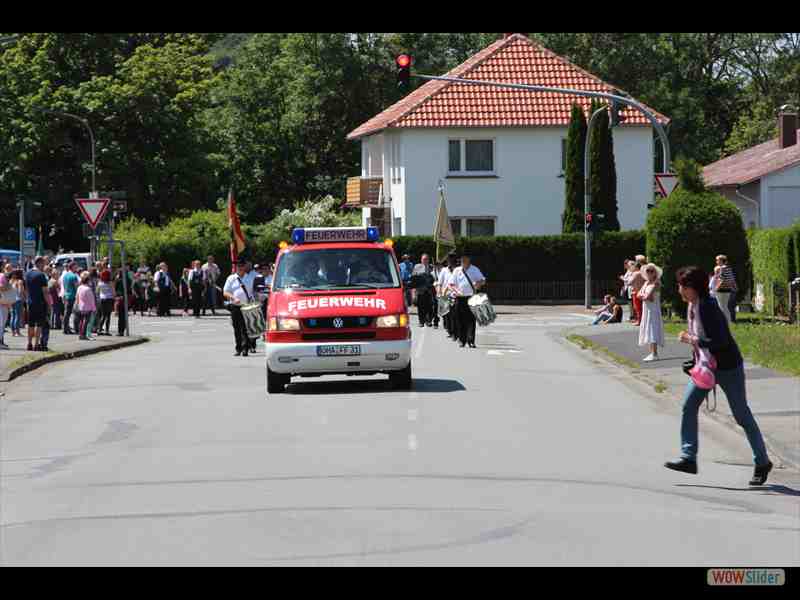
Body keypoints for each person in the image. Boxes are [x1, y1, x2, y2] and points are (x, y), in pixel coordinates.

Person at [667, 265, 773, 486]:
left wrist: (692, 340)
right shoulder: (693, 305)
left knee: (741, 415)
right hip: (706, 368)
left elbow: (721, 341)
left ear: (693, 288)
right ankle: (689, 458)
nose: (679, 290)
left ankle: (762, 462)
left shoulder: (707, 307)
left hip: (727, 367)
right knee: (688, 405)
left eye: (682, 286)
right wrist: (695, 358)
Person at [448, 254, 486, 348]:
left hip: (471, 297)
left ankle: (471, 341)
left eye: (465, 258)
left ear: (469, 259)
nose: (463, 260)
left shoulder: (474, 269)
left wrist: (478, 283)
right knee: (460, 319)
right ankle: (462, 340)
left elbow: (483, 280)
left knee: (471, 320)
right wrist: (457, 291)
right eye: (462, 259)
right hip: (460, 298)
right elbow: (451, 284)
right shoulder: (457, 270)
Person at [223, 258, 255, 357]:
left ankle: (246, 348)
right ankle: (238, 349)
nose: (240, 268)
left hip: (246, 306)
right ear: (236, 268)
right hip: (235, 306)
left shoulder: (249, 278)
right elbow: (225, 292)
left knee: (245, 328)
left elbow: (254, 292)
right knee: (237, 328)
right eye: (238, 266)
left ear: (245, 267)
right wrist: (233, 298)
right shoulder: (231, 278)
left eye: (242, 266)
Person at [638, 263, 664, 362]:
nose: (649, 272)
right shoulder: (646, 283)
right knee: (648, 328)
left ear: (655, 273)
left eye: (651, 271)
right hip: (647, 308)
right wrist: (644, 295)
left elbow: (648, 296)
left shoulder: (656, 283)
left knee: (652, 328)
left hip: (653, 309)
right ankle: (652, 352)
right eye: (647, 271)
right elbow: (639, 295)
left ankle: (654, 353)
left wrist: (644, 295)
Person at [24, 256, 51, 351]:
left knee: (30, 324)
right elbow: (45, 292)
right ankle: (36, 345)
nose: (44, 265)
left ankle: (29, 343)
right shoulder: (41, 275)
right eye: (43, 263)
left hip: (30, 302)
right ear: (39, 263)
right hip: (40, 303)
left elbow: (26, 290)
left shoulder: (28, 274)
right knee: (39, 325)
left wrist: (27, 301)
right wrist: (49, 304)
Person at [412, 254, 436, 327]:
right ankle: (421, 321)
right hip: (420, 290)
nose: (425, 260)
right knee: (421, 307)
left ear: (428, 260)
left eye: (426, 259)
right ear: (421, 260)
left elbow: (435, 277)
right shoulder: (417, 267)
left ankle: (428, 321)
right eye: (423, 259)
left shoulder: (432, 267)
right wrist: (414, 291)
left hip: (429, 290)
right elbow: (413, 278)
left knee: (430, 306)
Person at [436, 255, 457, 339]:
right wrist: (439, 292)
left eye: (452, 261)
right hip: (445, 294)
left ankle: (454, 332)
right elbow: (440, 283)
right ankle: (449, 329)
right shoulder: (444, 270)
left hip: (454, 295)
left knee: (453, 314)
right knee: (447, 315)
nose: (450, 262)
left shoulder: (458, 270)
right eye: (449, 261)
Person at [714, 254, 737, 323]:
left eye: (717, 260)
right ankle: (728, 321)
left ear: (721, 260)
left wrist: (716, 288)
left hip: (721, 289)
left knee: (721, 306)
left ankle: (723, 321)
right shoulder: (729, 268)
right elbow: (732, 279)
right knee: (725, 306)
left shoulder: (722, 268)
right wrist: (734, 287)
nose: (716, 262)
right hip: (728, 289)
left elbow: (721, 279)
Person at [75, 271, 96, 341]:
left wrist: (77, 304)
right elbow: (91, 300)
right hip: (87, 308)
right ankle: (83, 335)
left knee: (81, 321)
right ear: (87, 281)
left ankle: (80, 334)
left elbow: (77, 297)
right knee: (86, 322)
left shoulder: (79, 287)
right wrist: (94, 308)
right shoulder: (88, 289)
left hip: (80, 307)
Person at [61, 262, 80, 334]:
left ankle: (65, 328)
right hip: (72, 296)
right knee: (76, 313)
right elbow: (77, 287)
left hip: (66, 295)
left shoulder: (65, 275)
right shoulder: (73, 276)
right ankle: (76, 329)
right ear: (72, 267)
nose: (76, 268)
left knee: (67, 313)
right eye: (75, 267)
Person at [97, 269, 115, 335]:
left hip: (102, 299)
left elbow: (97, 291)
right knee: (108, 316)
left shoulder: (100, 283)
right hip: (109, 299)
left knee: (103, 315)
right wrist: (114, 297)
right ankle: (107, 331)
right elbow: (113, 292)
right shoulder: (110, 283)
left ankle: (99, 329)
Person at [629, 260, 646, 326]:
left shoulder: (635, 273)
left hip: (636, 292)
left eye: (633, 267)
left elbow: (629, 282)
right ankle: (642, 320)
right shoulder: (643, 273)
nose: (632, 268)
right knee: (642, 307)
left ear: (636, 267)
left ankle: (639, 321)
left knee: (637, 307)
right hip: (642, 291)